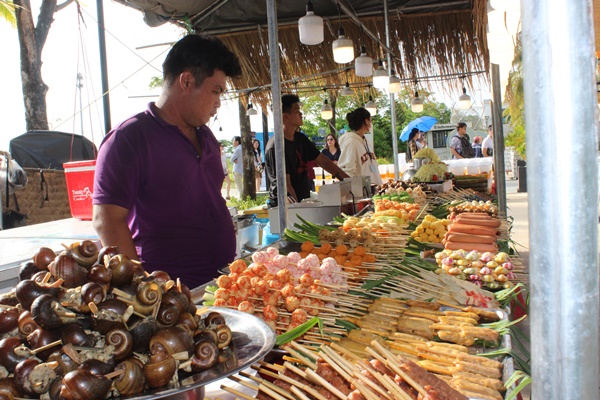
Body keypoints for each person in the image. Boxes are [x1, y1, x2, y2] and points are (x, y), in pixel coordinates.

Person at [92, 34, 241, 289]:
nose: (218, 103)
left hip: (220, 282)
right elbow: (107, 220)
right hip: (169, 295)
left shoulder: (206, 136)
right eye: (215, 91)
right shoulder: (129, 138)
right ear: (186, 80)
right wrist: (142, 288)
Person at [264, 94, 349, 207]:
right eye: (296, 111)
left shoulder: (300, 139)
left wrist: (347, 180)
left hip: (302, 201)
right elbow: (286, 185)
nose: (301, 114)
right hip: (284, 206)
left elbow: (323, 161)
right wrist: (299, 208)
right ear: (285, 116)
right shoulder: (276, 147)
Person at [337, 108, 383, 186]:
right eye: (370, 120)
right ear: (366, 121)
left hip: (374, 189)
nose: (371, 124)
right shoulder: (351, 142)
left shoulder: (366, 141)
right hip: (361, 193)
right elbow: (347, 170)